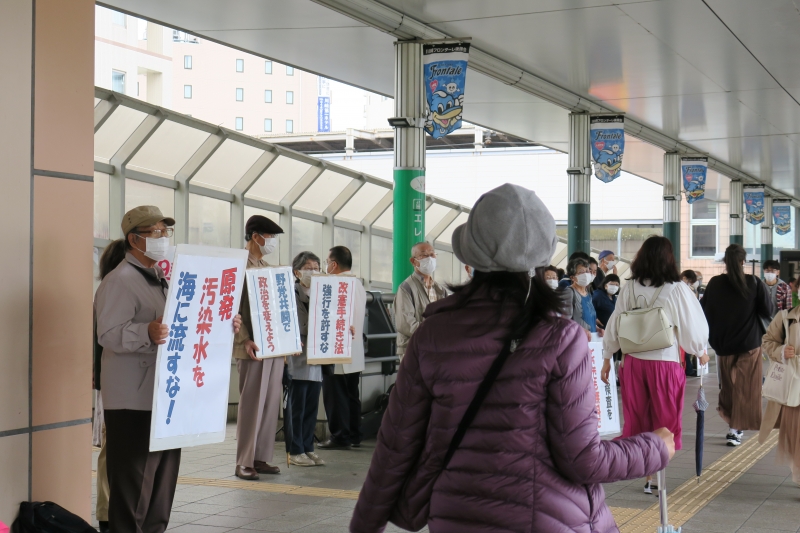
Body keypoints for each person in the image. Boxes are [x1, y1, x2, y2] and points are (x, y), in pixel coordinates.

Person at [350, 184, 674, 533]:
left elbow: (394, 448)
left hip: (456, 516)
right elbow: (583, 459)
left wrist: (364, 526)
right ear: (541, 255)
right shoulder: (562, 338)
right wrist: (654, 447)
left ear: (469, 255)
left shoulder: (432, 334)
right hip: (548, 518)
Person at [95, 206, 243, 533]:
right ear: (135, 239)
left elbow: (184, 326)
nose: (163, 238)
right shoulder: (119, 280)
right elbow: (106, 333)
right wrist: (144, 331)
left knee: (160, 490)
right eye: (156, 232)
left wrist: (223, 324)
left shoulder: (161, 279)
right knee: (134, 491)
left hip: (165, 398)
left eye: (166, 231)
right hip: (133, 401)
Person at [601, 236, 709, 493]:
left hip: (632, 363)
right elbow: (691, 327)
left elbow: (615, 323)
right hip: (664, 364)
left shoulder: (629, 287)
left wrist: (607, 357)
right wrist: (700, 351)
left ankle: (646, 474)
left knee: (638, 417)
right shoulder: (677, 288)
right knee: (665, 420)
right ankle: (658, 475)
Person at [701, 244, 771, 446]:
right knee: (747, 387)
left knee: (730, 388)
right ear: (743, 262)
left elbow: (704, 310)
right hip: (749, 343)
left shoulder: (714, 283)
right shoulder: (754, 282)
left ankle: (733, 425)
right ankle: (736, 430)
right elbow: (767, 310)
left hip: (723, 344)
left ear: (725, 262)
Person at [233, 215, 286, 480]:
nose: (272, 242)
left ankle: (261, 456)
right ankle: (244, 460)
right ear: (256, 237)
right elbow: (230, 310)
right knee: (252, 403)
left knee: (269, 402)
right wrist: (243, 339)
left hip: (272, 347)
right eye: (270, 237)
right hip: (251, 346)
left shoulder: (265, 266)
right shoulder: (237, 265)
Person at [93, 239, 127, 533]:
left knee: (113, 447)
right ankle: (106, 511)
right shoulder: (111, 290)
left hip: (120, 382)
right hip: (113, 381)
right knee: (110, 446)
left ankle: (111, 509)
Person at [320, 246, 367, 450]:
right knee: (351, 394)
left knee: (335, 395)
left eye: (327, 261)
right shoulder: (358, 284)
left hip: (337, 348)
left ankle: (340, 436)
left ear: (334, 264)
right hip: (354, 350)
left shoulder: (335, 284)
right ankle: (355, 434)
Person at [288, 251, 325, 467]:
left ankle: (308, 447)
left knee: (311, 406)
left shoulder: (322, 293)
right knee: (297, 406)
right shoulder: (290, 293)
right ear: (297, 272)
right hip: (298, 357)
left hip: (317, 357)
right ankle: (295, 450)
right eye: (309, 268)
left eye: (316, 267)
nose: (313, 272)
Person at [761, 307, 800, 483]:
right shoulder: (786, 317)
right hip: (793, 387)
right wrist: (781, 351)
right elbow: (768, 341)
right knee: (795, 435)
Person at [394, 242, 448, 359]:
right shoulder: (406, 287)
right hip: (412, 349)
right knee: (414, 377)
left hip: (435, 347)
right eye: (424, 255)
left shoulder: (440, 289)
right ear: (413, 261)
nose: (429, 259)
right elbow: (406, 324)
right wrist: (433, 333)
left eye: (432, 255)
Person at [564, 257, 601, 340]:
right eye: (581, 272)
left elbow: (589, 318)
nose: (586, 274)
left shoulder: (588, 293)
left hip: (591, 340)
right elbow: (565, 321)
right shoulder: (569, 292)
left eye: (587, 271)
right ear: (572, 278)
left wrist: (597, 329)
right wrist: (581, 330)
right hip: (577, 340)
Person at [680, 269, 700, 376]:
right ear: (685, 278)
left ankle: (688, 368)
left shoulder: (687, 289)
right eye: (690, 282)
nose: (690, 284)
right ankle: (687, 369)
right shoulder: (681, 288)